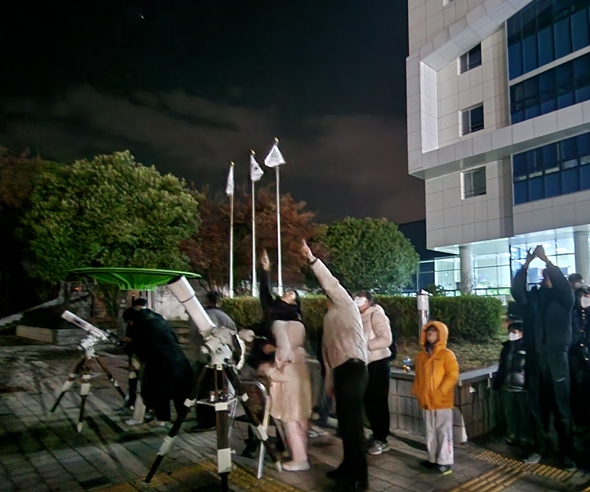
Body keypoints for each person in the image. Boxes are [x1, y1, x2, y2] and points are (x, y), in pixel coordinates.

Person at [302, 240, 369, 492]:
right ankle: (348, 466)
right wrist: (329, 383)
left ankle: (360, 476)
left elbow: (330, 282)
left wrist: (312, 260)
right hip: (341, 371)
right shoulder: (330, 319)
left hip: (354, 368)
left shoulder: (346, 304)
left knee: (353, 425)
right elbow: (327, 357)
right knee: (345, 424)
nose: (325, 296)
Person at [511, 245, 575, 469]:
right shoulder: (534, 299)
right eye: (544, 275)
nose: (546, 278)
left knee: (561, 408)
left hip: (557, 359)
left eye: (549, 275)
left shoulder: (565, 299)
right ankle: (539, 447)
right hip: (535, 359)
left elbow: (563, 286)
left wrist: (547, 260)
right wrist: (526, 264)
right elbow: (517, 291)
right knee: (536, 408)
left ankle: (567, 453)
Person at [254, 250, 313, 472]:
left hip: (281, 368)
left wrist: (269, 364)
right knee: (289, 415)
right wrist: (265, 270)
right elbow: (264, 294)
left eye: (292, 295)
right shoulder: (275, 312)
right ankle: (289, 449)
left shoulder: (289, 320)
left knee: (289, 416)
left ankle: (296, 455)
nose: (287, 294)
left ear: (296, 303)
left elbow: (286, 352)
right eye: (287, 292)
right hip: (283, 366)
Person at [122, 307, 194, 427]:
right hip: (177, 356)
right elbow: (174, 337)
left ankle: (162, 418)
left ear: (131, 320)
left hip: (159, 361)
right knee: (180, 388)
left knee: (159, 390)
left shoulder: (140, 325)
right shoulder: (157, 318)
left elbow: (142, 347)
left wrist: (129, 345)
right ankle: (183, 414)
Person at [413, 321, 459, 476]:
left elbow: (452, 375)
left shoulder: (447, 355)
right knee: (430, 432)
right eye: (428, 330)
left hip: (442, 402)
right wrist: (417, 392)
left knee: (444, 432)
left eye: (434, 331)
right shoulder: (421, 356)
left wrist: (441, 392)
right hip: (426, 401)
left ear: (441, 334)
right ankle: (432, 458)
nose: (430, 333)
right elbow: (418, 377)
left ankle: (445, 462)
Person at [189, 291, 238, 433]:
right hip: (223, 359)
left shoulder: (204, 317)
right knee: (221, 390)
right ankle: (220, 416)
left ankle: (206, 421)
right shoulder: (225, 316)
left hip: (207, 359)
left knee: (205, 391)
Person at [354, 291, 393, 456]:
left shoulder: (376, 315)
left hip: (378, 363)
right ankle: (376, 434)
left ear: (369, 301)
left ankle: (382, 439)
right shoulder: (356, 317)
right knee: (369, 402)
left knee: (378, 402)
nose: (357, 300)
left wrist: (365, 345)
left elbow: (386, 339)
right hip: (365, 363)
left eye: (360, 298)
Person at [493, 321, 532, 447]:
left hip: (523, 388)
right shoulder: (507, 348)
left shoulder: (527, 348)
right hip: (508, 387)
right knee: (510, 413)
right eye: (510, 332)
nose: (511, 335)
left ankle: (526, 437)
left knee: (524, 414)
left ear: (521, 333)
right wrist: (498, 382)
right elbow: (502, 367)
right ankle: (512, 435)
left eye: (514, 332)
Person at [570, 285, 590, 433]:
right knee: (578, 392)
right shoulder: (572, 315)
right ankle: (580, 423)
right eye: (583, 296)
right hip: (576, 360)